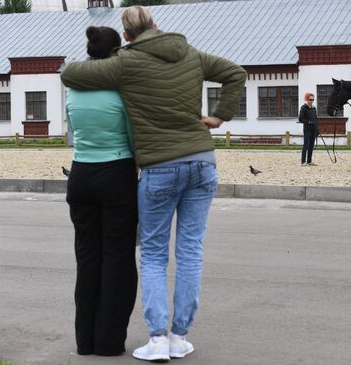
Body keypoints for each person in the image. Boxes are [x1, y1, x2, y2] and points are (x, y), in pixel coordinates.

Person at [61, 6, 247, 362]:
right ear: (156, 24)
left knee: (154, 253)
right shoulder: (191, 53)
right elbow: (235, 73)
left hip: (159, 167)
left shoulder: (126, 63)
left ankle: (158, 339)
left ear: (127, 37)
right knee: (190, 250)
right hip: (202, 161)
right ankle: (180, 336)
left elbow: (71, 73)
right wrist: (220, 115)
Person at [65, 26, 138, 356]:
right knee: (118, 259)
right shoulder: (121, 87)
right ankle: (109, 342)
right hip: (116, 173)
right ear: (115, 53)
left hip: (80, 173)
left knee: (87, 258)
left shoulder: (73, 87)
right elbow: (133, 136)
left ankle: (85, 341)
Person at [298, 92, 319, 166]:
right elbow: (300, 119)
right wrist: (308, 122)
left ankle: (309, 161)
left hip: (313, 129)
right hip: (307, 129)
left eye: (313, 99)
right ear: (307, 99)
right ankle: (303, 162)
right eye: (310, 99)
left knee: (311, 145)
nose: (312, 101)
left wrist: (317, 129)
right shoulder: (303, 108)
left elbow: (315, 119)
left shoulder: (314, 108)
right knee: (306, 145)